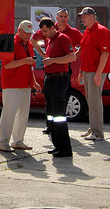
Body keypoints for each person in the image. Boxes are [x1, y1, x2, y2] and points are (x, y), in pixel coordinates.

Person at [31, 7, 83, 134]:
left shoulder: (71, 33)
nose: (63, 19)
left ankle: (60, 127)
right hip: (49, 69)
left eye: (65, 17)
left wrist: (75, 56)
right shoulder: (48, 29)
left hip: (64, 69)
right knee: (49, 99)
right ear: (57, 18)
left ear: (68, 18)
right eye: (61, 16)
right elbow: (33, 39)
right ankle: (50, 126)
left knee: (61, 99)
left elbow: (83, 45)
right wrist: (43, 55)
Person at [0, 20, 41, 152]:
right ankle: (3, 142)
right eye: (26, 33)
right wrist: (24, 61)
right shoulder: (12, 44)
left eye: (30, 33)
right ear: (19, 31)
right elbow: (7, 64)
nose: (29, 35)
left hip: (25, 84)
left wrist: (33, 81)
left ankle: (18, 141)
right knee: (9, 114)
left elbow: (30, 65)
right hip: (12, 84)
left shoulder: (28, 44)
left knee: (23, 115)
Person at [39, 17, 76, 157]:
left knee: (59, 116)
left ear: (52, 27)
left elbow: (72, 57)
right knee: (51, 115)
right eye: (43, 31)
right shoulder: (50, 41)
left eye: (46, 31)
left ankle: (65, 148)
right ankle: (57, 145)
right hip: (50, 80)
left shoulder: (63, 38)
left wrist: (52, 60)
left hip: (60, 80)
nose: (44, 34)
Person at [77, 7, 110, 141]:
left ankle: (98, 133)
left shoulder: (102, 31)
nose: (82, 19)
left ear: (92, 16)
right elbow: (84, 51)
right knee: (90, 100)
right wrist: (80, 70)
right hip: (87, 70)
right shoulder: (87, 31)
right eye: (81, 16)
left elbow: (105, 53)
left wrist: (98, 73)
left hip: (95, 71)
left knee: (95, 101)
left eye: (84, 16)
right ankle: (93, 127)